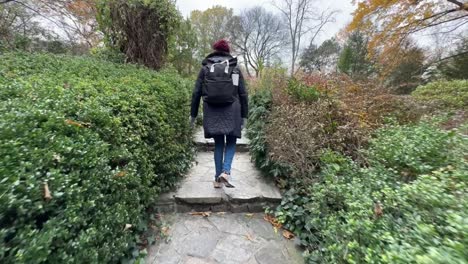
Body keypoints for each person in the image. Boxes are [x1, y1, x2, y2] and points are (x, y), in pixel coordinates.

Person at [190, 39, 248, 189]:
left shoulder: (206, 67)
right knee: (231, 141)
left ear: (214, 50)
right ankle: (226, 171)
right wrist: (245, 115)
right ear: (227, 51)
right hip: (232, 109)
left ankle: (217, 179)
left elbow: (196, 92)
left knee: (218, 144)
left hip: (212, 109)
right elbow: (242, 92)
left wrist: (193, 114)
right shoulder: (234, 67)